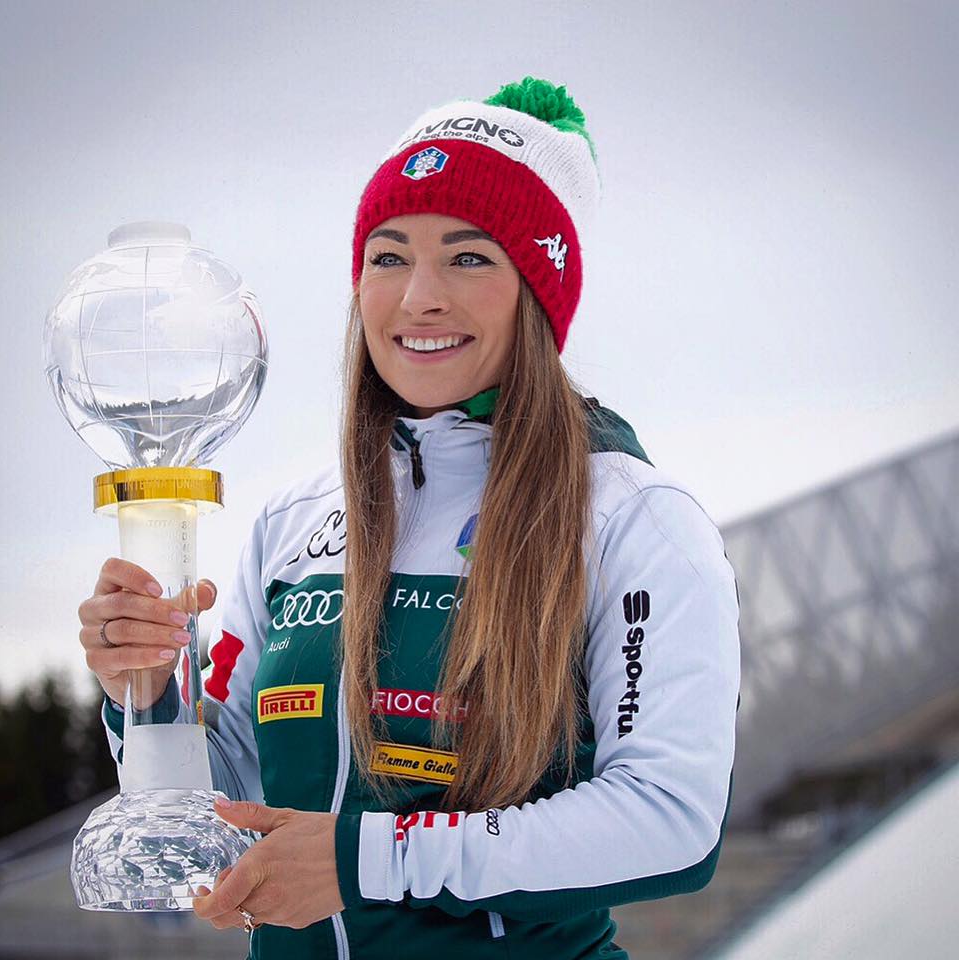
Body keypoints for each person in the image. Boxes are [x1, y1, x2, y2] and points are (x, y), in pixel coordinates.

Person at [78, 76, 741, 960]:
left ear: (538, 291)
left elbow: (672, 823)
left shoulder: (633, 519)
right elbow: (224, 801)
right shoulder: (295, 522)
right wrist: (149, 688)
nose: (418, 296)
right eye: (388, 257)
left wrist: (366, 862)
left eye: (468, 258)